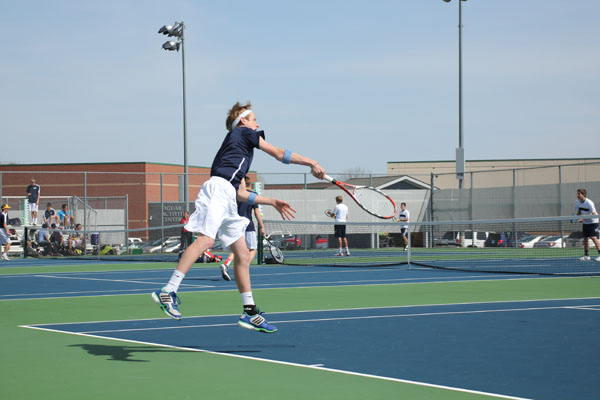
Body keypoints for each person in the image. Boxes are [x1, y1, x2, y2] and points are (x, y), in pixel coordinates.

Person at [151, 101, 325, 333]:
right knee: (205, 240)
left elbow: (242, 194)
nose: (258, 123)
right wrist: (312, 163)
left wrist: (272, 201)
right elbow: (279, 153)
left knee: (243, 255)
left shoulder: (238, 153)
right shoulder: (243, 132)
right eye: (254, 119)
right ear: (244, 121)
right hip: (217, 191)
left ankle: (250, 312)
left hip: (229, 197)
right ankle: (168, 291)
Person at [220, 175, 267, 281]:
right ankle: (244, 269)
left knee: (237, 249)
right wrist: (262, 226)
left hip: (236, 225)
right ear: (250, 184)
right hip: (247, 225)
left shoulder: (235, 195)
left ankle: (227, 264)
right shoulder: (253, 195)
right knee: (253, 250)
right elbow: (256, 212)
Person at [575, 188, 600, 261]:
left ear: (584, 195)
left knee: (593, 237)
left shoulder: (589, 203)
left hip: (593, 221)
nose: (577, 195)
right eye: (577, 194)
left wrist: (584, 218)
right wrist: (578, 218)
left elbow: (594, 214)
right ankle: (587, 255)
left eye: (579, 194)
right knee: (585, 238)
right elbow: (578, 212)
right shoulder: (577, 202)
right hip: (586, 222)